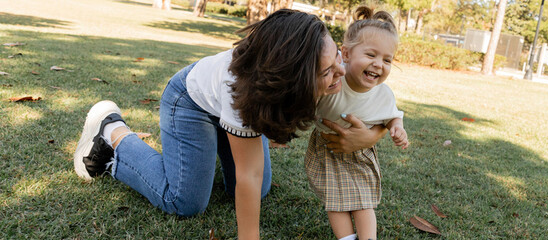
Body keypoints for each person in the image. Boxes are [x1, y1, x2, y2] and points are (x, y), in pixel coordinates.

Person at [72, 9, 387, 240]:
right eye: (328, 72)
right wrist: (249, 236)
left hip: (231, 109)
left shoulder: (318, 67)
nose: (342, 73)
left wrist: (371, 135)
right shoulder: (246, 97)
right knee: (185, 202)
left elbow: (382, 104)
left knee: (258, 190)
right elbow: (249, 173)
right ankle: (112, 133)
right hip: (190, 101)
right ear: (293, 83)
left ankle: (201, 159)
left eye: (338, 59)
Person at [304, 7, 408, 240]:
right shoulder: (331, 83)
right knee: (335, 201)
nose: (379, 64)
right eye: (371, 55)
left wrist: (397, 127)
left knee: (363, 200)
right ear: (347, 54)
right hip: (326, 148)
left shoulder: (383, 94)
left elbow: (392, 115)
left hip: (360, 153)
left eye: (387, 59)